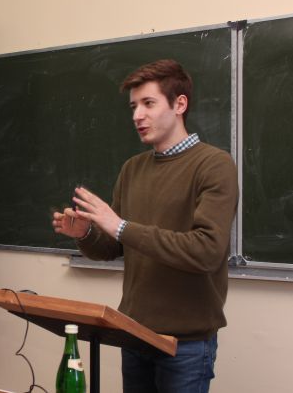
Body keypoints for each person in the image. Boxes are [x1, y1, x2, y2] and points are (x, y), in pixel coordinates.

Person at [51, 59, 239, 393]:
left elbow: (206, 250)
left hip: (185, 345)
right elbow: (114, 246)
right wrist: (86, 234)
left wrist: (120, 226)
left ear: (180, 104)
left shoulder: (214, 165)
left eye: (148, 103)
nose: (137, 115)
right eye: (134, 106)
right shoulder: (132, 169)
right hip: (134, 333)